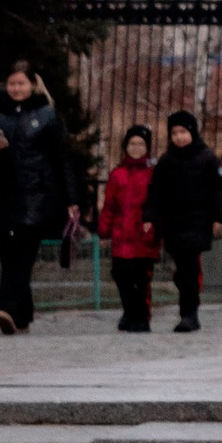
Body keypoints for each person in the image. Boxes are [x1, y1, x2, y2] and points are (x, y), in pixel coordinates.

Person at [0, 60, 75, 336]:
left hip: (37, 196)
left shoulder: (46, 115)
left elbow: (62, 159)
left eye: (21, 83)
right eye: (12, 83)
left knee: (22, 256)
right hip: (5, 196)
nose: (16, 88)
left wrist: (72, 198)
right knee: (10, 255)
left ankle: (4, 308)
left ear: (33, 84)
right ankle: (22, 316)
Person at [148, 109, 222, 334]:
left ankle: (189, 314)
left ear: (192, 132)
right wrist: (151, 217)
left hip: (198, 221)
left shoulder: (207, 158)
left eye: (183, 132)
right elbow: (155, 192)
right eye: (174, 133)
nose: (179, 137)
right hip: (173, 223)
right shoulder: (166, 161)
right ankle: (188, 307)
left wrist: (218, 217)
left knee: (189, 269)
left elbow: (219, 191)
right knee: (182, 270)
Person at [96, 126, 159, 333]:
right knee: (120, 275)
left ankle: (141, 316)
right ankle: (129, 311)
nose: (136, 148)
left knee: (141, 279)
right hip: (121, 235)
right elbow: (109, 206)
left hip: (144, 235)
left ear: (147, 147)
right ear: (125, 147)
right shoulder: (117, 174)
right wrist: (104, 231)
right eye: (132, 144)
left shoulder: (153, 175)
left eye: (141, 144)